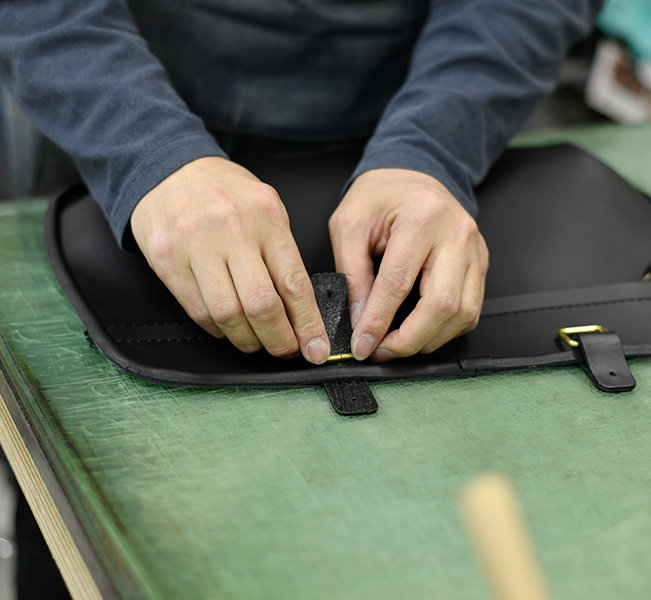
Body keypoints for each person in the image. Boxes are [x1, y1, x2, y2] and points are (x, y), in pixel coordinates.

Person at [1, 1, 603, 596]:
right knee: (85, 520)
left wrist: (434, 148)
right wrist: (147, 152)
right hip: (115, 108)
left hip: (429, 113)